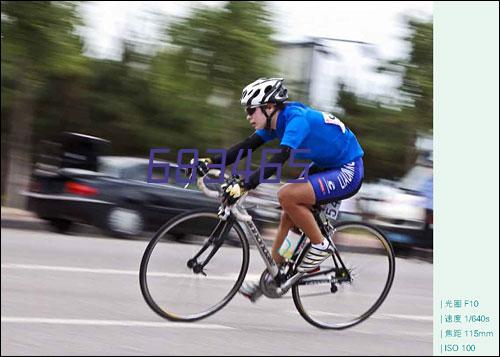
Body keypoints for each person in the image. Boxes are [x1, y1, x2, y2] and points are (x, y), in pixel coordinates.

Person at [195, 78, 364, 302]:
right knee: (288, 213)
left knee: (286, 195)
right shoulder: (275, 122)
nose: (248, 116)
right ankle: (275, 276)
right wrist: (210, 162)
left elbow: (280, 158)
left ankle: (320, 245)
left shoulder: (296, 119)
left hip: (348, 168)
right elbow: (246, 147)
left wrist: (245, 184)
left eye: (251, 110)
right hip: (326, 166)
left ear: (269, 107)